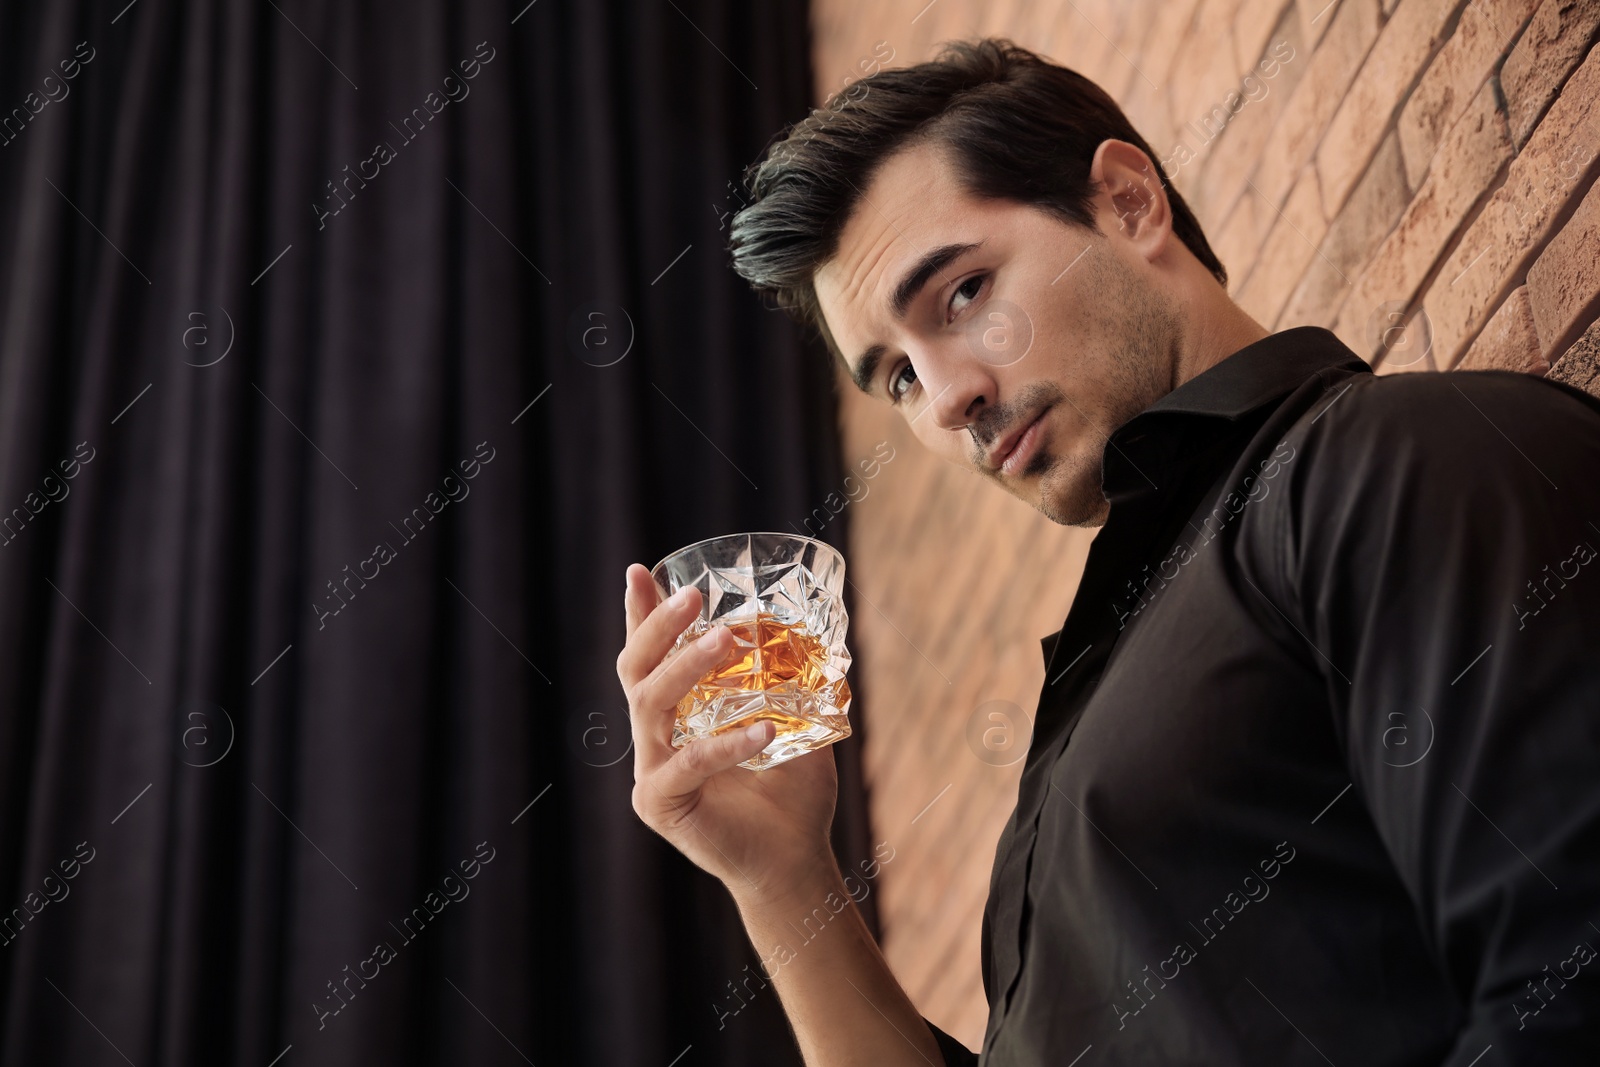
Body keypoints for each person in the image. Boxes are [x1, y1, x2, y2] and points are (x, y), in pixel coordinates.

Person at [617, 38, 1600, 1065]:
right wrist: (782, 877)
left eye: (961, 294)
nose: (947, 395)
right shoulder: (1088, 711)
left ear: (1128, 202)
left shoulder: (1396, 464)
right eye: (897, 378)